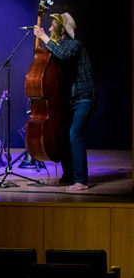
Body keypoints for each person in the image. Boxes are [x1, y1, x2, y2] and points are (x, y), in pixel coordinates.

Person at [33, 12, 95, 192]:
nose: (49, 28)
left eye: (53, 26)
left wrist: (43, 37)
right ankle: (69, 176)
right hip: (69, 99)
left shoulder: (75, 45)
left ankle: (81, 181)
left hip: (84, 97)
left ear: (61, 30)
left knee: (75, 135)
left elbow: (64, 54)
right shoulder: (58, 46)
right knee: (65, 136)